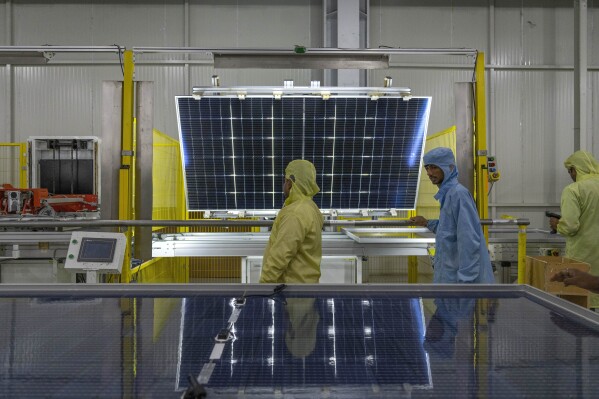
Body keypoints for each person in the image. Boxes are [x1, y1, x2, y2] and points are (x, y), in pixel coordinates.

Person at [409, 147, 494, 284]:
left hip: (462, 281)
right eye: (427, 168)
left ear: (448, 167)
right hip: (450, 277)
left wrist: (466, 280)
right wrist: (426, 222)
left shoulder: (458, 194)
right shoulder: (447, 195)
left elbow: (469, 240)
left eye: (434, 168)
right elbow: (449, 229)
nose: (429, 173)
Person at [548, 150, 599, 307]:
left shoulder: (574, 190)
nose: (570, 175)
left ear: (575, 169)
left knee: (582, 304)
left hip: (584, 256)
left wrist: (557, 224)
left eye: (570, 171)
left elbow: (570, 226)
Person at [259, 159, 324, 284]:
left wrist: (264, 285)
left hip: (291, 292)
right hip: (306, 286)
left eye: (285, 180)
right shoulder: (312, 208)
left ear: (290, 183)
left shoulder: (295, 213)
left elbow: (280, 256)